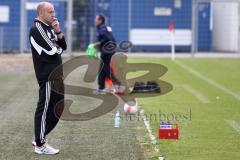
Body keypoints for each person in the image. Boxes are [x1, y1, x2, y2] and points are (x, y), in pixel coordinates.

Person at [29, 2, 67, 154]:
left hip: (57, 75)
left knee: (59, 106)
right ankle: (40, 145)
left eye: (54, 11)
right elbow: (53, 51)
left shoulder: (49, 27)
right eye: (50, 12)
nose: (54, 14)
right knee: (44, 108)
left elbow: (62, 46)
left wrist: (58, 31)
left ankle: (40, 136)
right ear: (41, 13)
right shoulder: (37, 28)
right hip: (47, 76)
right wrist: (57, 47)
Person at [93, 14, 121, 94]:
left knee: (106, 69)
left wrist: (98, 43)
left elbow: (107, 38)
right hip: (108, 50)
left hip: (107, 51)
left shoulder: (102, 29)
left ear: (100, 20)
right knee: (102, 69)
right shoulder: (104, 28)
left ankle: (118, 85)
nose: (95, 20)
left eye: (96, 19)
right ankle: (101, 88)